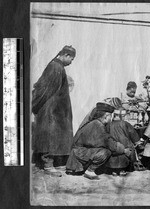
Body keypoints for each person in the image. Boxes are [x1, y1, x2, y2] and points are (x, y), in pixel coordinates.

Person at [31, 45, 76, 177]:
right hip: (52, 111)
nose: (71, 62)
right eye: (71, 59)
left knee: (55, 136)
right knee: (50, 136)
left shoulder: (57, 66)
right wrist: (35, 105)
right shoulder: (56, 67)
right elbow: (45, 90)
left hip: (55, 111)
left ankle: (50, 164)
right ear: (66, 55)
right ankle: (48, 166)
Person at [66, 102, 132, 179]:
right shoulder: (98, 126)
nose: (111, 118)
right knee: (106, 152)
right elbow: (109, 143)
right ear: (106, 116)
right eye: (110, 116)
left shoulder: (94, 123)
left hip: (77, 152)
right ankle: (90, 171)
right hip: (79, 153)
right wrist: (124, 150)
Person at [106, 107, 142, 174]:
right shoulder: (125, 124)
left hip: (113, 148)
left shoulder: (108, 125)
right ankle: (123, 170)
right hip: (125, 147)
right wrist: (137, 142)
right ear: (122, 116)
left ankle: (114, 171)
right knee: (130, 149)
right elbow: (133, 135)